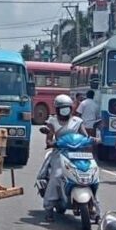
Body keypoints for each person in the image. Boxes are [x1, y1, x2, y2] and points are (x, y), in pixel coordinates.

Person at [39, 94, 93, 222]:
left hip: (77, 153)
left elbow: (85, 137)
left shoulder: (77, 122)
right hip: (60, 153)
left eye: (67, 107)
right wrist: (50, 142)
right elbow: (49, 138)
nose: (65, 110)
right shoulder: (52, 122)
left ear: (71, 108)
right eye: (61, 108)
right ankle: (49, 208)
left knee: (90, 174)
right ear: (57, 109)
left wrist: (92, 141)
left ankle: (94, 207)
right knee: (57, 176)